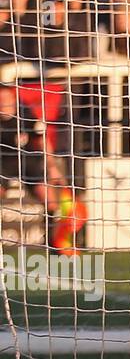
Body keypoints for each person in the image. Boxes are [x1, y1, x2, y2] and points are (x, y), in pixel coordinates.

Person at [0, 84, 86, 254]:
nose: (3, 104)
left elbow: (42, 139)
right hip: (2, 162)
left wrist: (52, 166)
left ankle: (53, 244)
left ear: (13, 99)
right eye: (0, 101)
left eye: (6, 99)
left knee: (49, 200)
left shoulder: (25, 113)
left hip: (27, 159)